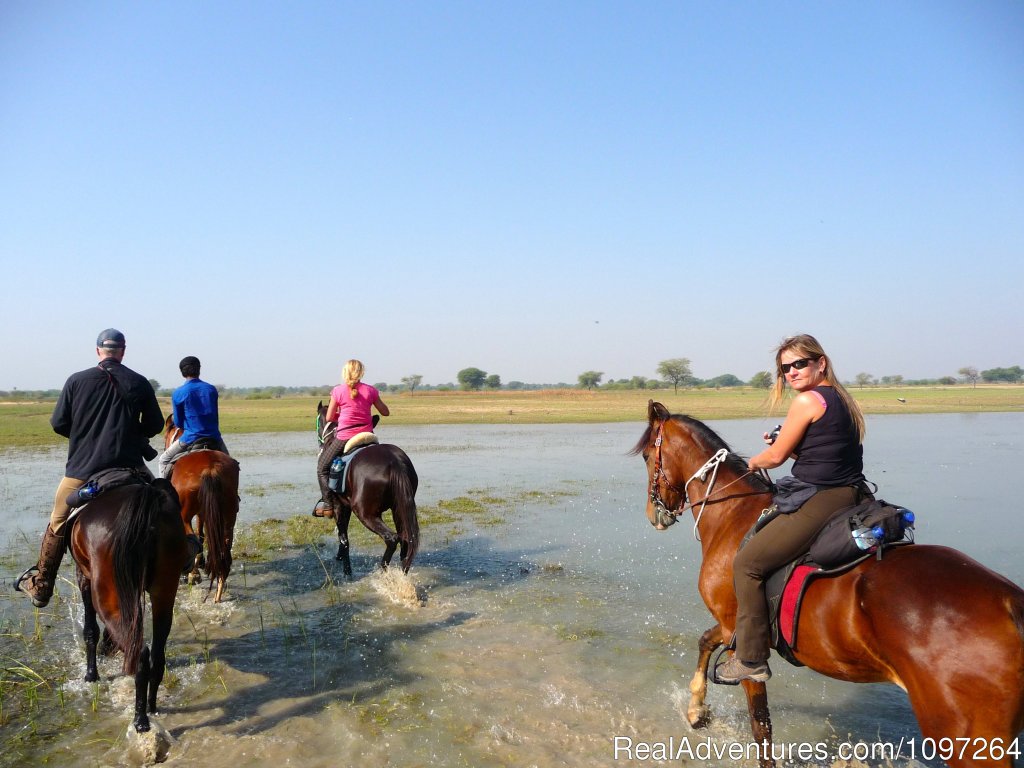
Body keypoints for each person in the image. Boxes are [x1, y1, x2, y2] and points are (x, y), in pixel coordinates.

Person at [717, 333, 868, 684]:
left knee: (748, 563)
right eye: (786, 368)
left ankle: (751, 658)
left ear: (821, 363)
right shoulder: (842, 400)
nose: (793, 373)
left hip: (823, 498)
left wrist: (753, 462)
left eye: (800, 364)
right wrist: (789, 446)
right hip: (850, 492)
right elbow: (823, 455)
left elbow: (775, 457)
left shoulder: (807, 401)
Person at [15, 328, 164, 608]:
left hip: (83, 470)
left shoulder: (76, 380)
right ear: (122, 351)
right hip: (131, 467)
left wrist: (85, 436)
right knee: (165, 502)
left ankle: (42, 583)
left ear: (98, 351)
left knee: (58, 519)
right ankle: (181, 557)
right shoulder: (139, 382)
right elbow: (156, 425)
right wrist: (132, 433)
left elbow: (58, 423)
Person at [313, 359, 389, 518]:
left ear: (345, 372)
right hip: (368, 435)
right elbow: (385, 412)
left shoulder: (338, 391)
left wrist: (342, 413)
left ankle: (328, 505)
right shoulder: (371, 391)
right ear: (361, 373)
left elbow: (329, 417)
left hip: (345, 437)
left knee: (322, 468)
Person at [159, 356, 229, 478]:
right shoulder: (211, 389)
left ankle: (163, 494)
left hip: (190, 438)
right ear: (199, 370)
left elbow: (179, 423)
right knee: (230, 464)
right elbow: (215, 416)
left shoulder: (178, 392)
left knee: (163, 460)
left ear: (182, 372)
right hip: (214, 437)